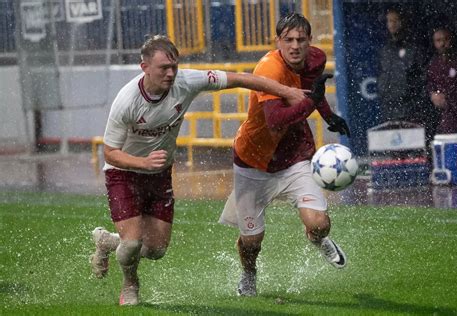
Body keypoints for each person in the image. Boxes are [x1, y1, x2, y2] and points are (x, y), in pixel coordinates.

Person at [89, 34, 309, 306]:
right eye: (163, 68)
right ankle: (131, 284)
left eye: (174, 66)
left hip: (159, 174)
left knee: (156, 250)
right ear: (144, 67)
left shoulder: (187, 81)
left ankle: (108, 243)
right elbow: (109, 153)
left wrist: (285, 91)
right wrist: (143, 163)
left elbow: (241, 79)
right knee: (132, 244)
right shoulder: (127, 101)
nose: (170, 74)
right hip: (123, 173)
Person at [218, 13, 351, 297]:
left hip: (295, 157)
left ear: (310, 42)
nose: (295, 46)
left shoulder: (316, 59)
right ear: (277, 41)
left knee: (319, 224)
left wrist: (328, 116)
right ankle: (249, 274)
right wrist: (314, 102)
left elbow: (310, 91)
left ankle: (317, 239)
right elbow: (276, 120)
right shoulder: (268, 69)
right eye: (288, 40)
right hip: (253, 161)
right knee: (252, 240)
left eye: (301, 40)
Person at [377, 8, 439, 147]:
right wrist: (384, 94)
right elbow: (382, 76)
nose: (392, 24)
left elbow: (425, 78)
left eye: (395, 20)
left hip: (411, 111)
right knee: (392, 151)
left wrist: (415, 102)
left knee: (414, 150)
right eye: (389, 21)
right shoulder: (386, 50)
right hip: (389, 110)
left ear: (403, 22)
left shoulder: (415, 48)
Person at [427, 26, 457, 134]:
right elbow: (429, 85)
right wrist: (432, 95)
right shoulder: (434, 65)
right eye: (438, 40)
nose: (442, 44)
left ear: (452, 39)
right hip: (445, 120)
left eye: (446, 39)